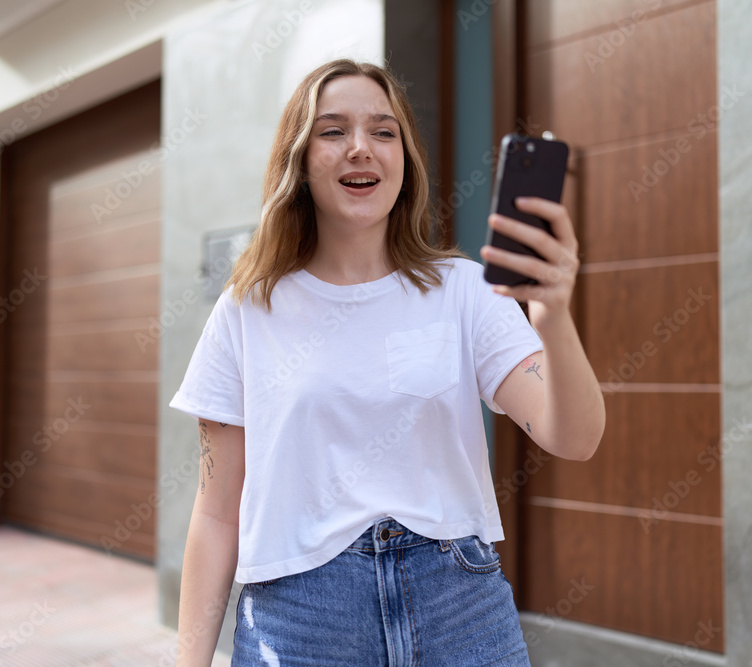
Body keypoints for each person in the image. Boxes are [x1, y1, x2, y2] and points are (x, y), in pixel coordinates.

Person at [169, 58, 605, 667]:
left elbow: (575, 438)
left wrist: (553, 315)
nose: (360, 149)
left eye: (382, 131)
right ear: (298, 157)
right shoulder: (247, 309)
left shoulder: (465, 291)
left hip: (459, 605)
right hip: (301, 619)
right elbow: (216, 516)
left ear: (406, 158)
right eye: (332, 131)